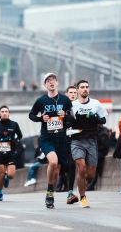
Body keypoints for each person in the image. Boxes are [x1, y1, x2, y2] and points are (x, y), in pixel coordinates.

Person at [29, 72, 73, 209]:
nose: (51, 82)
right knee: (53, 162)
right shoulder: (41, 101)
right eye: (48, 80)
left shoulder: (65, 100)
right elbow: (31, 115)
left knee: (57, 168)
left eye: (53, 79)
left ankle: (51, 193)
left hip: (61, 139)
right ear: (45, 85)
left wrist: (64, 115)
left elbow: (72, 119)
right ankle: (49, 191)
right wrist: (41, 118)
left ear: (57, 83)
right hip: (47, 138)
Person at [67, 79, 107, 208]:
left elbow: (104, 119)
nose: (85, 89)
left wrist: (95, 117)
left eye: (87, 87)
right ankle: (83, 197)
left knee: (90, 175)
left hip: (91, 141)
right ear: (77, 90)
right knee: (81, 168)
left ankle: (82, 187)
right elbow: (66, 122)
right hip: (77, 141)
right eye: (82, 87)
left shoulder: (96, 104)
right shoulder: (72, 105)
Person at [0, 105, 23, 201]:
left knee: (11, 175)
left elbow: (20, 135)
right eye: (2, 112)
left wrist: (15, 141)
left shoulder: (14, 124)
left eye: (6, 111)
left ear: (9, 113)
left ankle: (7, 177)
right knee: (1, 174)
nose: (4, 113)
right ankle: (0, 192)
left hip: (10, 152)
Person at [64, 85, 79, 204]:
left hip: (76, 140)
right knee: (61, 166)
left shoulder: (80, 107)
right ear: (66, 94)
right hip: (63, 140)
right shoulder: (62, 107)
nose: (73, 94)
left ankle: (70, 192)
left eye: (75, 92)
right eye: (71, 93)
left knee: (72, 166)